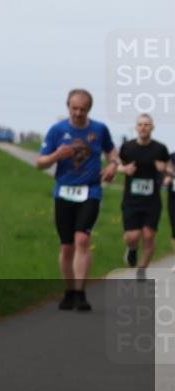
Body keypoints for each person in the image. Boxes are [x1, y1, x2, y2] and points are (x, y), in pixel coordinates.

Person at [36, 89, 119, 311]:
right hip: (64, 192)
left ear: (89, 109)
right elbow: (40, 162)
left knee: (82, 239)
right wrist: (56, 156)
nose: (78, 113)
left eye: (83, 109)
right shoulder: (57, 130)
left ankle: (81, 293)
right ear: (68, 106)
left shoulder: (99, 130)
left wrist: (113, 165)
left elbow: (112, 153)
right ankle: (69, 291)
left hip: (90, 192)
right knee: (66, 247)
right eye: (74, 108)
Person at [117, 114, 170, 279]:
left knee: (148, 236)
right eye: (140, 124)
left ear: (152, 127)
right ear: (136, 127)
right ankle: (132, 249)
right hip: (131, 200)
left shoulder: (160, 149)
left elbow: (168, 169)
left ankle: (142, 270)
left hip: (152, 201)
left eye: (147, 124)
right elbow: (116, 165)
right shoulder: (127, 147)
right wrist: (124, 170)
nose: (143, 127)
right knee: (132, 236)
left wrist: (164, 171)